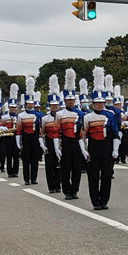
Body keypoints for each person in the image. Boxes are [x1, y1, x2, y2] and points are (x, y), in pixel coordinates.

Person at [80, 67, 120, 210]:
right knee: (93, 176)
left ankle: (104, 200)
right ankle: (95, 201)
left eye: (101, 102)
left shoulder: (110, 115)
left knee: (107, 175)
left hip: (107, 147)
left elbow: (115, 133)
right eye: (96, 102)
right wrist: (84, 150)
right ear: (92, 103)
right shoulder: (87, 117)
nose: (99, 104)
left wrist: (115, 150)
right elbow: (82, 136)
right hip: (93, 148)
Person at [56, 69, 85, 200]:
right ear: (65, 101)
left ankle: (75, 190)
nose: (71, 102)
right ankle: (67, 190)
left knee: (77, 168)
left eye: (72, 100)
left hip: (77, 142)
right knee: (66, 167)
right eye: (68, 100)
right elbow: (57, 131)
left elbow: (84, 130)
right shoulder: (60, 114)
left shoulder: (80, 114)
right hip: (66, 142)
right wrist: (57, 147)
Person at [16, 78, 42, 186]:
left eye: (32, 104)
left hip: (35, 138)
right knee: (26, 160)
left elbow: (40, 130)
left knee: (34, 159)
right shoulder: (21, 115)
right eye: (29, 104)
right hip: (26, 138)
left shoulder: (38, 115)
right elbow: (18, 129)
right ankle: (26, 179)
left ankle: (34, 178)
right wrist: (18, 141)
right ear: (26, 104)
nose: (30, 105)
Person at [40, 75, 62, 194]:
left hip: (59, 143)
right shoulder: (44, 118)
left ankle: (58, 185)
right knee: (49, 166)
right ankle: (50, 186)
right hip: (49, 143)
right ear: (49, 106)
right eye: (52, 105)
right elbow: (41, 133)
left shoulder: (62, 117)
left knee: (59, 166)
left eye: (56, 105)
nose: (54, 107)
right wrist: (43, 145)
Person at [2, 85, 20, 178]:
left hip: (16, 137)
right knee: (9, 156)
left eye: (14, 107)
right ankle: (9, 172)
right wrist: (7, 129)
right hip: (8, 137)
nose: (13, 109)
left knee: (16, 156)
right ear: (8, 107)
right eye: (11, 107)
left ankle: (15, 171)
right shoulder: (4, 117)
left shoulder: (18, 117)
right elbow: (1, 127)